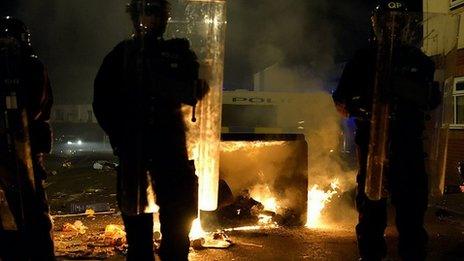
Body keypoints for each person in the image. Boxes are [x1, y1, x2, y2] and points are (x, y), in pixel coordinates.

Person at [93, 0, 209, 260]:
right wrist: (121, 139)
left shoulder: (177, 52)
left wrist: (181, 82)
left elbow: (193, 92)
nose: (152, 19)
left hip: (171, 150)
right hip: (134, 151)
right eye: (147, 11)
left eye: (157, 12)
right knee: (138, 234)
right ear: (135, 16)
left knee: (178, 229)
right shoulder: (121, 55)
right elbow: (102, 102)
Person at [332, 1, 441, 260]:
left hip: (408, 141)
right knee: (371, 203)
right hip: (372, 142)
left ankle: (412, 254)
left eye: (397, 21)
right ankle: (370, 254)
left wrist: (405, 90)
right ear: (377, 24)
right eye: (386, 21)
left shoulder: (420, 61)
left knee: (412, 203)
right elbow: (341, 101)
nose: (392, 26)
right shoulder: (362, 59)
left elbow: (432, 99)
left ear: (405, 25)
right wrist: (361, 107)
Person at [0, 16, 55, 260]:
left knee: (32, 206)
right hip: (4, 146)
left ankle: (40, 253)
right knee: (10, 208)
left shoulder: (31, 66)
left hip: (27, 146)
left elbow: (36, 105)